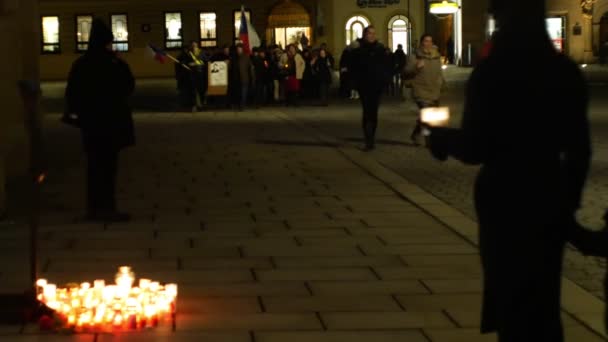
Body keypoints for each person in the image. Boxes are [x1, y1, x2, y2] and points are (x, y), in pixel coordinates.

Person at [423, 0, 591, 340]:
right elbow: (580, 150)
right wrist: (566, 204)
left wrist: (441, 140)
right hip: (548, 192)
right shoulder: (563, 71)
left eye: (497, 17)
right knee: (545, 302)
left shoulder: (493, 72)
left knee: (511, 299)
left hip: (504, 198)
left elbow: (476, 146)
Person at [64, 18, 134, 222]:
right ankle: (108, 207)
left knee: (94, 166)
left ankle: (93, 208)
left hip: (91, 124)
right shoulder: (114, 63)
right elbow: (128, 86)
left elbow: (72, 93)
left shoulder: (81, 63)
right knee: (109, 167)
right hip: (112, 122)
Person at [351, 26, 391, 151]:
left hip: (377, 86)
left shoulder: (380, 49)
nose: (372, 35)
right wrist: (355, 84)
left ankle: (371, 137)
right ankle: (368, 140)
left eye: (373, 33)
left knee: (373, 112)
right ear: (365, 35)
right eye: (369, 33)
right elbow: (354, 68)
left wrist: (385, 81)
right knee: (367, 111)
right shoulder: (358, 50)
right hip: (364, 86)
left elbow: (387, 66)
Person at [406, 34, 445, 145]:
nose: (428, 43)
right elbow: (406, 72)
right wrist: (416, 67)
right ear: (422, 42)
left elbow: (439, 72)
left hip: (434, 90)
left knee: (429, 117)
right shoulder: (415, 56)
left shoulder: (436, 56)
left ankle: (415, 134)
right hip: (420, 90)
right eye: (426, 41)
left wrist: (442, 83)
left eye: (430, 41)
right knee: (428, 116)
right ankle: (429, 141)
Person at [229, 43, 254, 111]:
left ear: (242, 49)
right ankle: (239, 105)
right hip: (237, 79)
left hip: (244, 78)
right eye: (238, 49)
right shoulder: (234, 58)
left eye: (240, 49)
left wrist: (252, 77)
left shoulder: (246, 57)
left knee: (244, 93)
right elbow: (231, 68)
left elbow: (250, 68)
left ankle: (242, 105)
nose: (239, 50)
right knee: (239, 93)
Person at [185, 40, 207, 112]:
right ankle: (194, 105)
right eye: (193, 45)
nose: (194, 47)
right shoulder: (189, 53)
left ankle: (201, 104)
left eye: (195, 45)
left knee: (201, 90)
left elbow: (205, 61)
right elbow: (186, 63)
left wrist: (195, 63)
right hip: (192, 74)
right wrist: (190, 64)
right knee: (193, 90)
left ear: (197, 46)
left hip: (200, 74)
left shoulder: (202, 52)